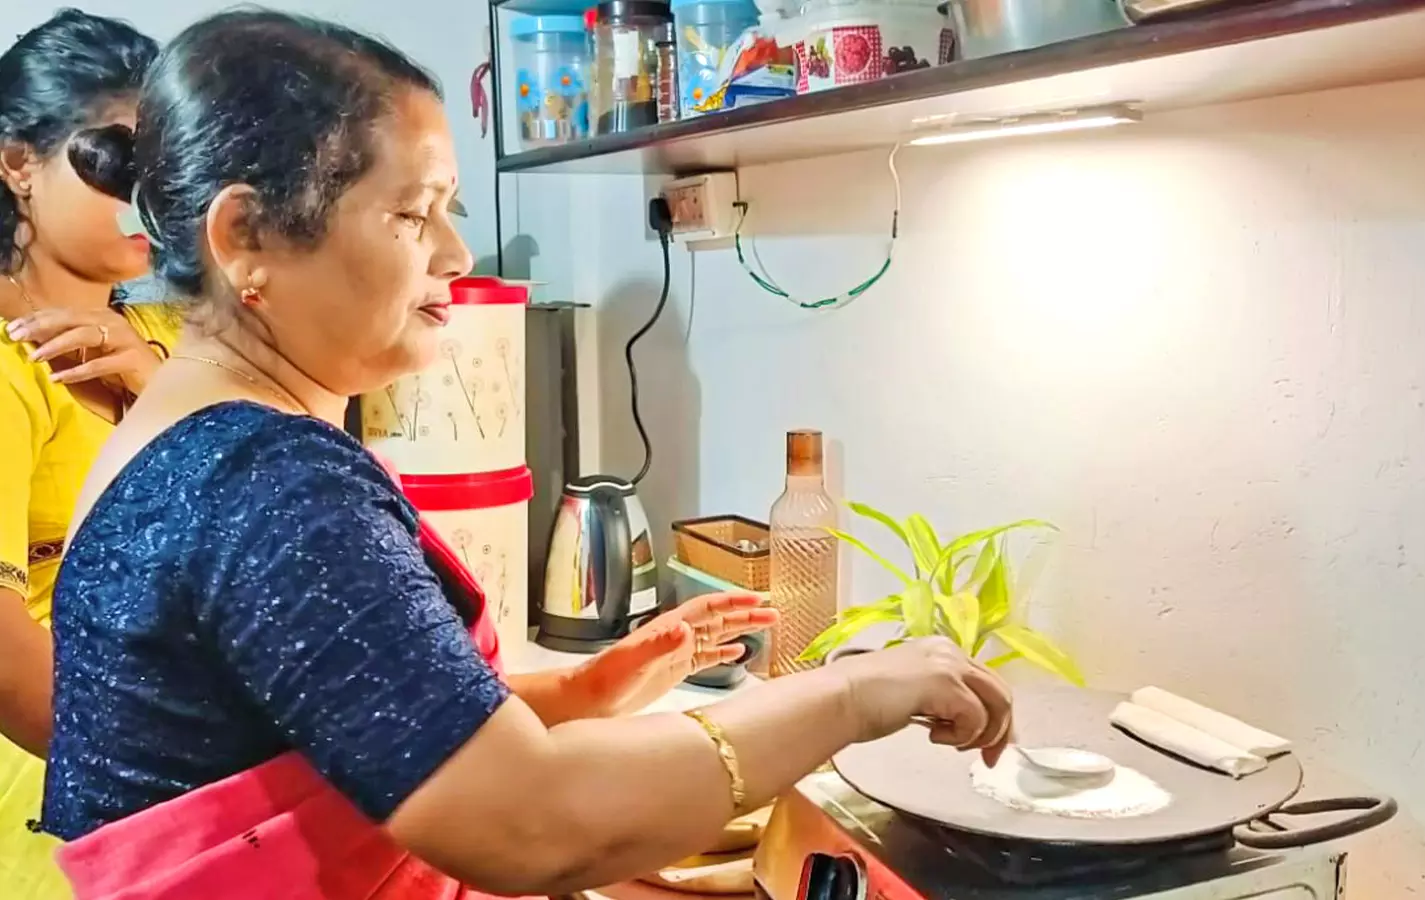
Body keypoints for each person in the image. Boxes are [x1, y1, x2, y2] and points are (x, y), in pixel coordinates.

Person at [43, 10, 1014, 899]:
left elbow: (361, 717)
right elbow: (532, 825)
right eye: (412, 213)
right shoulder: (267, 480)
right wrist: (846, 692)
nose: (457, 254)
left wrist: (586, 691)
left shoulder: (185, 439)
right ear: (244, 235)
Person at [0, 10, 168, 897]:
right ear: (19, 163)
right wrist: (169, 768)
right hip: (58, 820)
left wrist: (163, 385)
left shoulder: (169, 340)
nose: (146, 200)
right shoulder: (7, 371)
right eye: (113, 161)